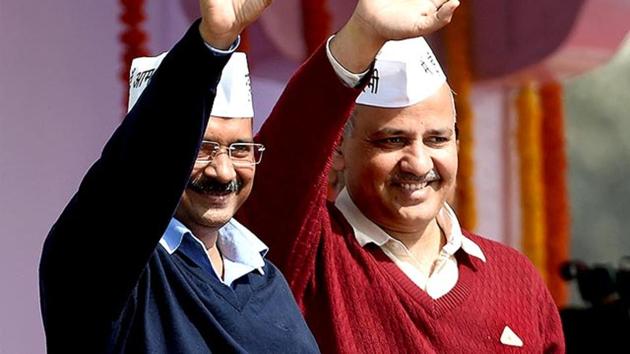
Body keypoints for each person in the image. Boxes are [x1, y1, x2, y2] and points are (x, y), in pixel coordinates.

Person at [237, 0, 566, 352]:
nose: (419, 163)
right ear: (336, 152)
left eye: (437, 139)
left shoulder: (515, 278)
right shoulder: (310, 257)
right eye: (393, 141)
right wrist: (361, 35)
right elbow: (285, 164)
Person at [38, 0, 320, 352]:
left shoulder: (264, 279)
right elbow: (136, 173)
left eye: (240, 149)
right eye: (201, 149)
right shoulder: (100, 263)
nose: (222, 171)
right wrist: (210, 44)